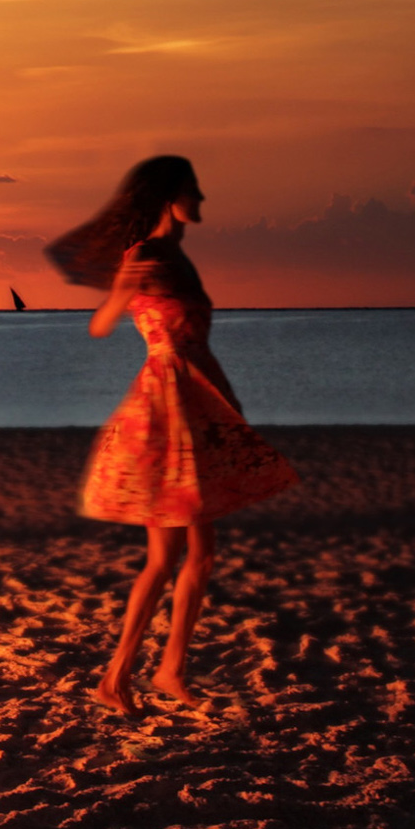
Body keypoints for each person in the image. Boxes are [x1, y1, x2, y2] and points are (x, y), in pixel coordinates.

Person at [46, 155, 298, 712]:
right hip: (164, 412)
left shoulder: (180, 256)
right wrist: (118, 294)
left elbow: (197, 339)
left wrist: (225, 403)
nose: (202, 199)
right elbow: (100, 323)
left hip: (200, 405)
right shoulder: (145, 255)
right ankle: (118, 678)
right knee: (165, 558)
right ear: (168, 197)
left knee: (202, 554)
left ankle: (169, 669)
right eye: (193, 190)